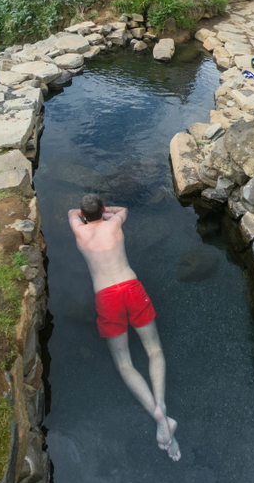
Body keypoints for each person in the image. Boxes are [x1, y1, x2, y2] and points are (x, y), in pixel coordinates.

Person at [68, 193, 180, 461]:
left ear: (84, 216)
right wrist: (107, 212)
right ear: (104, 210)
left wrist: (87, 215)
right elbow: (124, 208)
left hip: (106, 296)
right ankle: (162, 406)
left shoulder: (78, 229)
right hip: (131, 287)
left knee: (124, 364)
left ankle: (156, 415)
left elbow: (73, 212)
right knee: (153, 350)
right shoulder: (115, 222)